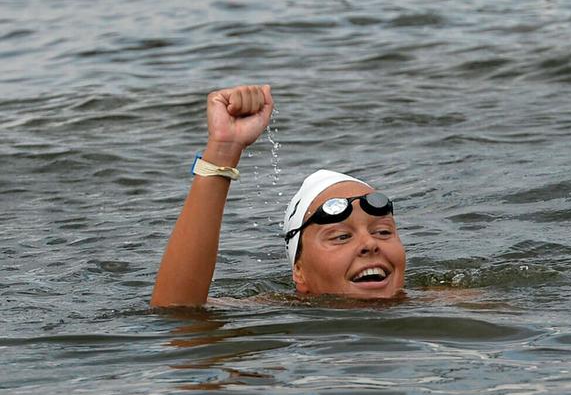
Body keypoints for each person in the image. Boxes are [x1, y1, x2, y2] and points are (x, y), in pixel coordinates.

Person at [150, 85, 406, 308]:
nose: (369, 244)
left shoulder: (439, 301)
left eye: (383, 232)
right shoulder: (286, 318)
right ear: (299, 272)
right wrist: (223, 149)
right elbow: (179, 311)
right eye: (341, 236)